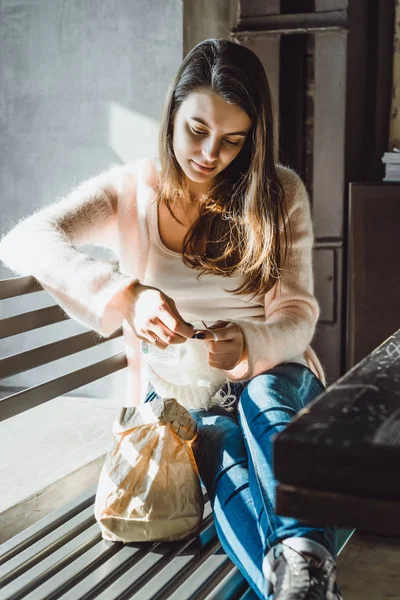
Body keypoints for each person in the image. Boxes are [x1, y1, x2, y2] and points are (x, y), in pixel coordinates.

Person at [0, 38, 342, 599]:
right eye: (197, 130)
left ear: (253, 138)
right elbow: (27, 238)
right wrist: (125, 294)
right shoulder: (131, 191)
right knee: (225, 453)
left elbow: (298, 314)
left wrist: (249, 343)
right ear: (172, 114)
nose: (210, 154)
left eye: (233, 141)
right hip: (184, 403)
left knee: (260, 398)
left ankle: (301, 563)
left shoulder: (279, 193)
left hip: (274, 375)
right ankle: (302, 588)